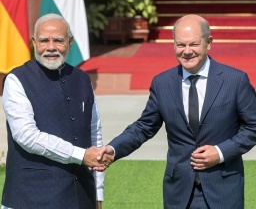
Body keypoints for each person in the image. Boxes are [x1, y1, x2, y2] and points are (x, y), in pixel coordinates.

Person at [96, 14, 256, 209]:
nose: (187, 51)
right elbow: (144, 126)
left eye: (193, 44)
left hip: (223, 190)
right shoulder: (162, 83)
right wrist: (113, 149)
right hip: (179, 194)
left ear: (209, 42)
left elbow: (253, 127)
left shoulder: (235, 80)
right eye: (180, 45)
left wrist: (221, 152)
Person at [1, 13, 112, 209]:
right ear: (34, 42)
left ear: (70, 42)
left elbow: (94, 134)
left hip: (81, 196)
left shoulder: (83, 79)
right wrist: (80, 155)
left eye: (59, 40)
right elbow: (27, 136)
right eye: (44, 40)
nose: (51, 47)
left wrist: (98, 190)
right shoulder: (16, 80)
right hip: (29, 198)